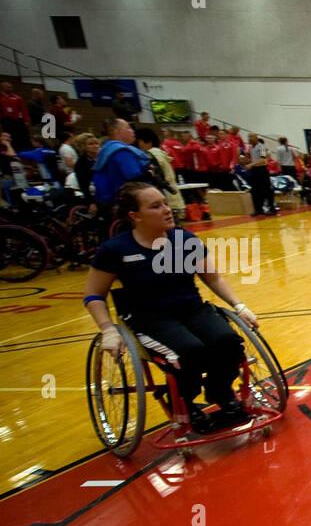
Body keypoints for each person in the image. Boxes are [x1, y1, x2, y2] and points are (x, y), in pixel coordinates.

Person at [83, 182, 259, 433]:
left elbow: (213, 278)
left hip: (192, 309)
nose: (167, 210)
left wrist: (239, 306)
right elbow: (93, 295)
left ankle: (220, 393)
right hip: (150, 319)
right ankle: (185, 403)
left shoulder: (184, 239)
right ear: (135, 216)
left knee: (228, 340)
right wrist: (108, 330)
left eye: (165, 203)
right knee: (189, 352)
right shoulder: (116, 250)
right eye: (156, 206)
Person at [91, 118, 151, 206]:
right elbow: (135, 178)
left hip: (112, 198)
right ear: (117, 131)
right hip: (130, 200)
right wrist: (150, 173)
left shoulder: (106, 149)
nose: (132, 131)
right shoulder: (121, 151)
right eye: (128, 128)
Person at [134, 126, 186, 213]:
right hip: (172, 197)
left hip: (165, 198)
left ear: (142, 142)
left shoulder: (151, 155)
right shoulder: (160, 152)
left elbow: (158, 176)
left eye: (138, 141)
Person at [244, 133, 278, 216]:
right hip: (255, 170)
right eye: (249, 137)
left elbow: (263, 160)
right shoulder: (251, 148)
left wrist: (251, 164)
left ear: (256, 138)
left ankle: (272, 209)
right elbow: (253, 159)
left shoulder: (261, 147)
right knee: (255, 191)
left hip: (262, 170)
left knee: (266, 190)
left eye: (251, 137)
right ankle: (258, 209)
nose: (249, 138)